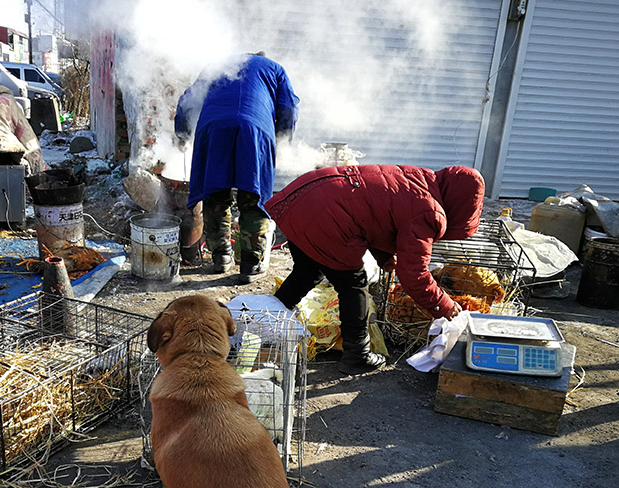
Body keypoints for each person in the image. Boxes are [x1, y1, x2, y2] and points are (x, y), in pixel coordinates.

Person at [266, 164, 485, 374]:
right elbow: (414, 275)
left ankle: (265, 321)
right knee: (353, 283)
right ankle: (357, 355)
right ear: (461, 208)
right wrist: (442, 305)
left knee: (308, 271)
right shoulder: (431, 212)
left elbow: (375, 213)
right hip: (327, 213)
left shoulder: (420, 179)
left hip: (302, 197)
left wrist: (385, 257)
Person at [174, 52, 299, 283]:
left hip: (213, 130)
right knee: (253, 196)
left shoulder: (216, 64)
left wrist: (181, 133)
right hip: (254, 130)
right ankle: (251, 264)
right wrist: (283, 140)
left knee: (215, 193)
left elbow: (188, 100)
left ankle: (221, 257)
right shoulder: (274, 69)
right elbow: (289, 107)